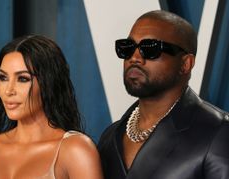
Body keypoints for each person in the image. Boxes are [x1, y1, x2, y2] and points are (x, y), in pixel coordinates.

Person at [98, 10, 229, 179]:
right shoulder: (110, 137)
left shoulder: (219, 131)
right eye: (127, 48)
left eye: (150, 48)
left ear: (185, 64)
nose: (134, 58)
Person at [0, 35, 103, 179]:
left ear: (49, 84)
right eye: (3, 78)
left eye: (22, 79)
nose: (9, 90)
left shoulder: (75, 151)